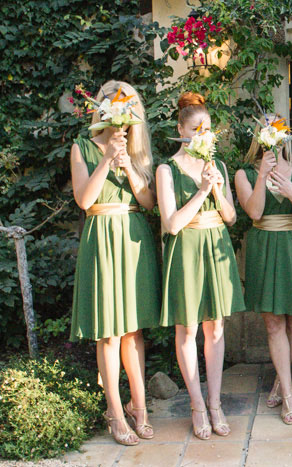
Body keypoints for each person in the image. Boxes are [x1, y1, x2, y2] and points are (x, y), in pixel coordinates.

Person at [70, 80, 160, 446]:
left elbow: (150, 203)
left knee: (134, 330)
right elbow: (84, 200)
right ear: (102, 109)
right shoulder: (82, 148)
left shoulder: (138, 152)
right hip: (103, 236)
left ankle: (140, 407)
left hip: (133, 236)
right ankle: (115, 412)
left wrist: (129, 168)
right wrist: (106, 159)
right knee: (110, 332)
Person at [157, 92, 245, 440]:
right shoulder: (167, 168)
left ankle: (215, 402)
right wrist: (201, 191)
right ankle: (195, 404)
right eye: (196, 128)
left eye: (207, 128)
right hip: (187, 249)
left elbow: (232, 217)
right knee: (188, 329)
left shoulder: (218, 166)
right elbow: (172, 224)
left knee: (216, 328)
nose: (203, 133)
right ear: (181, 129)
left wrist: (218, 189)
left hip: (216, 244)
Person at [234, 117, 292, 425]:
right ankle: (289, 396)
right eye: (268, 128)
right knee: (273, 324)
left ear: (286, 135)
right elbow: (254, 211)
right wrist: (262, 176)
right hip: (264, 244)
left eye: (279, 127)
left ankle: (282, 381)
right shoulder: (243, 173)